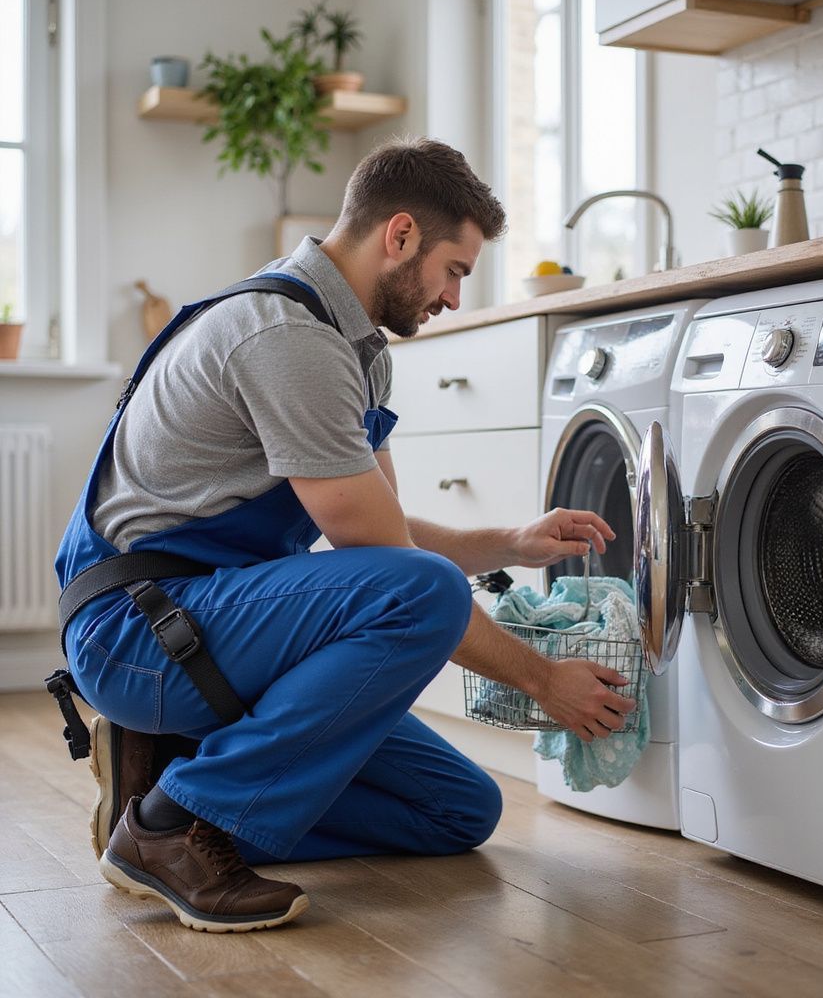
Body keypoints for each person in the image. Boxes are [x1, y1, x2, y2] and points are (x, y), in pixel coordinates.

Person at [54, 137, 636, 934]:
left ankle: (169, 781)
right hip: (140, 630)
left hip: (209, 621)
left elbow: (378, 531)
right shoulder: (286, 337)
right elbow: (395, 567)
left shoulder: (356, 347)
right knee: (422, 588)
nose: (455, 299)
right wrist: (542, 679)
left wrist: (510, 541)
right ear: (399, 235)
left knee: (459, 810)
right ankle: (171, 831)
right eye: (456, 271)